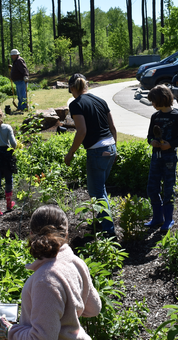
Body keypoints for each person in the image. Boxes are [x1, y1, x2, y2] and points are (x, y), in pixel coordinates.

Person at [0, 205, 102, 340]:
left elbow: (41, 338)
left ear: (32, 235)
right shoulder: (76, 263)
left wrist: (10, 331)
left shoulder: (45, 280)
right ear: (66, 235)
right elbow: (94, 308)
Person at [64, 73, 117, 235]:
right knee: (100, 188)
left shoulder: (76, 104)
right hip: (111, 147)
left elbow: (82, 131)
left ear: (73, 88)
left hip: (97, 151)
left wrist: (71, 152)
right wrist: (114, 148)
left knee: (97, 192)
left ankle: (109, 231)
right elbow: (113, 127)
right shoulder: (100, 100)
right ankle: (102, 221)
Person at [144, 85, 178, 231]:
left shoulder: (176, 116)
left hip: (169, 157)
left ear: (161, 99)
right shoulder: (155, 116)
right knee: (152, 187)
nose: (152, 104)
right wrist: (152, 141)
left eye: (153, 101)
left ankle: (168, 220)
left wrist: (170, 144)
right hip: (156, 156)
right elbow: (149, 135)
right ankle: (158, 217)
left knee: (168, 188)